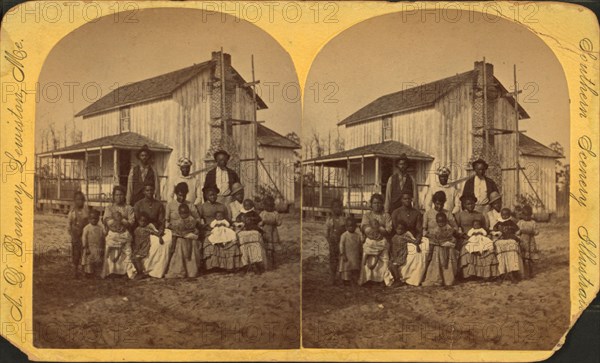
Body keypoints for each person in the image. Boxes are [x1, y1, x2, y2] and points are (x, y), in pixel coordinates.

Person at [133, 183, 171, 278]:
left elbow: (161, 221)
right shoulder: (138, 204)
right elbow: (137, 221)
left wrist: (161, 231)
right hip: (143, 230)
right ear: (143, 192)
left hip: (156, 229)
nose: (150, 192)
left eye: (151, 190)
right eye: (147, 190)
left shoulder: (159, 204)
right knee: (153, 242)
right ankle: (145, 269)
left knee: (166, 241)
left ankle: (157, 270)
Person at [456, 194, 498, 280]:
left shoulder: (480, 215)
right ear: (464, 205)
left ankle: (484, 273)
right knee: (467, 248)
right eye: (468, 204)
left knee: (487, 248)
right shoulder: (460, 215)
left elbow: (485, 228)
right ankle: (469, 274)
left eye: (472, 203)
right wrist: (463, 236)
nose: (470, 205)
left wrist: (485, 234)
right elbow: (456, 229)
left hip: (480, 236)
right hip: (466, 237)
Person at [198, 185, 241, 271]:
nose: (213, 197)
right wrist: (206, 227)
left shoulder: (222, 206)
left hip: (223, 228)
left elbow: (227, 219)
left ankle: (228, 265)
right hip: (209, 228)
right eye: (210, 195)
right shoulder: (202, 207)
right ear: (206, 196)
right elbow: (199, 221)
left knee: (230, 239)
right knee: (209, 240)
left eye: (214, 195)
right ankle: (212, 266)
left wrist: (228, 225)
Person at [391, 192, 428, 286]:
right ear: (401, 200)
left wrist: (418, 239)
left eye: (409, 199)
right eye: (404, 199)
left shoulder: (416, 213)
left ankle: (413, 279)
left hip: (412, 237)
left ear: (411, 199)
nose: (407, 200)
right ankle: (399, 277)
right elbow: (395, 229)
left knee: (420, 251)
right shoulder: (396, 212)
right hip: (400, 238)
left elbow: (419, 229)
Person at [422, 213, 458, 286]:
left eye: (443, 222)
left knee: (449, 263)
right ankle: (438, 278)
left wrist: (447, 241)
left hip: (448, 248)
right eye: (439, 222)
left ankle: (447, 279)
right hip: (438, 248)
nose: (441, 223)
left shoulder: (449, 228)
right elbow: (433, 238)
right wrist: (437, 241)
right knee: (436, 261)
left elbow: (452, 238)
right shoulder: (435, 229)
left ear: (446, 221)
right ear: (436, 221)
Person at [165, 204, 200, 278]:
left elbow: (193, 229)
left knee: (192, 245)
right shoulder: (178, 221)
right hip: (181, 237)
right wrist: (179, 233)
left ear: (188, 212)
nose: (183, 215)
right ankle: (180, 270)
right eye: (182, 213)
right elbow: (176, 230)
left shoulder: (191, 219)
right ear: (179, 213)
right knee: (179, 243)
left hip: (190, 236)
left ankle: (191, 270)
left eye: (185, 213)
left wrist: (187, 232)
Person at [358, 219, 394, 287]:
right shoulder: (369, 237)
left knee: (384, 262)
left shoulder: (382, 234)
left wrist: (379, 251)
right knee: (367, 260)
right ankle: (368, 279)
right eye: (374, 224)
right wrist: (372, 252)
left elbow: (385, 245)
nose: (375, 235)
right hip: (370, 254)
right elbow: (366, 247)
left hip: (381, 254)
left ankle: (381, 280)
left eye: (376, 224)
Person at [493, 208, 524, 283]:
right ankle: (501, 273)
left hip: (510, 237)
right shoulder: (499, 222)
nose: (505, 216)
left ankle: (512, 272)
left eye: (507, 215)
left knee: (513, 245)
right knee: (498, 247)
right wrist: (497, 231)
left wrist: (515, 232)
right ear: (501, 215)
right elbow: (494, 228)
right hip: (501, 238)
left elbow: (517, 229)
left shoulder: (511, 222)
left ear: (509, 215)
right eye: (503, 215)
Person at [101, 210, 133, 279]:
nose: (118, 217)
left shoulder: (123, 223)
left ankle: (123, 272)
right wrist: (115, 231)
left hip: (122, 238)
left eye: (119, 216)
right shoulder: (111, 223)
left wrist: (122, 231)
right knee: (110, 247)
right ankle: (110, 271)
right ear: (113, 217)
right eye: (116, 216)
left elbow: (125, 229)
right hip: (113, 239)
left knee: (126, 250)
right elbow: (109, 229)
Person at [131, 212, 159, 279]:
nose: (143, 223)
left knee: (137, 258)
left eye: (144, 221)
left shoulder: (147, 229)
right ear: (138, 221)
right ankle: (139, 272)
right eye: (141, 221)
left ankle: (140, 273)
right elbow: (134, 238)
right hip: (137, 246)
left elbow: (156, 233)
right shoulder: (137, 229)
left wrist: (160, 237)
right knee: (133, 258)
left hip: (144, 247)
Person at [68, 191, 89, 278]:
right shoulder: (72, 212)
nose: (79, 201)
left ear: (84, 201)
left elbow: (88, 222)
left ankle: (84, 270)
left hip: (84, 234)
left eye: (81, 199)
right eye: (77, 199)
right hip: (76, 235)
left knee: (84, 252)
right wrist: (73, 233)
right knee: (76, 253)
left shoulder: (86, 211)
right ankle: (75, 270)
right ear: (74, 201)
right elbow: (69, 224)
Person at [326, 199, 346, 285]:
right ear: (332, 209)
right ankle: (332, 277)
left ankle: (342, 277)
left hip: (342, 242)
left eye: (340, 207)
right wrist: (330, 240)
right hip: (333, 242)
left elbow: (346, 231)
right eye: (336, 207)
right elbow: (327, 232)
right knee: (333, 260)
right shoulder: (330, 220)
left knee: (342, 259)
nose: (338, 209)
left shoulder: (343, 219)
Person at [259, 195, 283, 269]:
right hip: (265, 232)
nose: (269, 208)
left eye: (271, 206)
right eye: (267, 206)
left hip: (273, 232)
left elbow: (279, 223)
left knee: (273, 249)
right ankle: (267, 263)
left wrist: (275, 222)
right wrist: (262, 222)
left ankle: (273, 263)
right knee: (267, 248)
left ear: (273, 206)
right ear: (264, 206)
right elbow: (259, 223)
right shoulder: (263, 213)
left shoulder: (275, 213)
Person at [517, 205, 540, 279]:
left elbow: (537, 231)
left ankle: (530, 272)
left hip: (531, 242)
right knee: (524, 258)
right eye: (525, 215)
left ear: (531, 215)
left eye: (528, 215)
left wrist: (533, 232)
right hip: (523, 242)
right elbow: (517, 231)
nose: (527, 217)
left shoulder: (533, 222)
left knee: (530, 258)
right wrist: (519, 231)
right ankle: (524, 273)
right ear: (522, 215)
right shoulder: (520, 222)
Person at [338, 217, 362, 286]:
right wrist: (343, 254)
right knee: (346, 267)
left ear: (355, 227)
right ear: (346, 227)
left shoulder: (357, 235)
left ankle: (353, 279)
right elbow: (341, 245)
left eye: (353, 226)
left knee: (354, 267)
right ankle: (346, 280)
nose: (351, 228)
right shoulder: (344, 235)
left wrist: (360, 252)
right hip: (347, 254)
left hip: (354, 254)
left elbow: (360, 244)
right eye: (349, 226)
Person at [81, 209, 104, 278]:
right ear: (89, 219)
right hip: (89, 246)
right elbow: (84, 238)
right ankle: (88, 273)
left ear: (98, 219)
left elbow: (102, 237)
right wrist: (85, 247)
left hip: (97, 247)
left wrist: (102, 247)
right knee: (89, 260)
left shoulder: (100, 228)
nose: (94, 220)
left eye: (96, 218)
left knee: (97, 259)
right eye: (92, 218)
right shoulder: (87, 228)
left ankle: (96, 272)